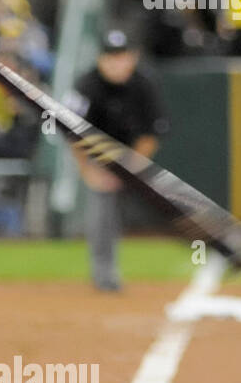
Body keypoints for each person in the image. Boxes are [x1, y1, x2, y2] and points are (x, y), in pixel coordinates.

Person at [68, 29, 170, 292]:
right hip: (98, 154)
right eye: (110, 57)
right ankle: (104, 274)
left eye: (122, 57)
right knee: (102, 210)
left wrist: (129, 168)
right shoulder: (86, 85)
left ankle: (203, 248)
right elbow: (72, 133)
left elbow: (152, 133)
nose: (116, 63)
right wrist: (89, 172)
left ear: (133, 57)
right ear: (100, 59)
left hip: (134, 153)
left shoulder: (144, 82)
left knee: (167, 203)